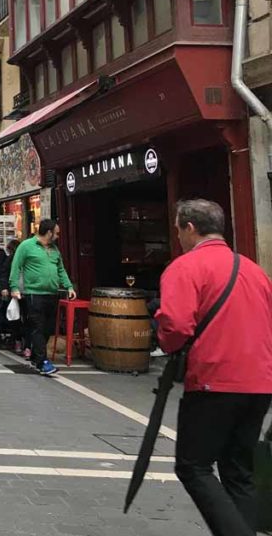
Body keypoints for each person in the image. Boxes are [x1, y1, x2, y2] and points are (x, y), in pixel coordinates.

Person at [156, 199, 272, 535]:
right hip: (260, 382)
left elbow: (176, 326)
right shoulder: (254, 270)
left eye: (178, 228)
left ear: (190, 228)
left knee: (194, 466)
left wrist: (165, 340)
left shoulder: (185, 267)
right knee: (238, 471)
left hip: (214, 380)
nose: (178, 236)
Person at [9, 219, 75, 377]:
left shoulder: (54, 250)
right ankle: (43, 362)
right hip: (34, 293)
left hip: (52, 293)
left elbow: (61, 269)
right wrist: (13, 287)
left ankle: (35, 356)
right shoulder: (26, 246)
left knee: (48, 328)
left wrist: (69, 286)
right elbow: (16, 266)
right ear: (49, 233)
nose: (58, 236)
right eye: (57, 233)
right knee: (37, 327)